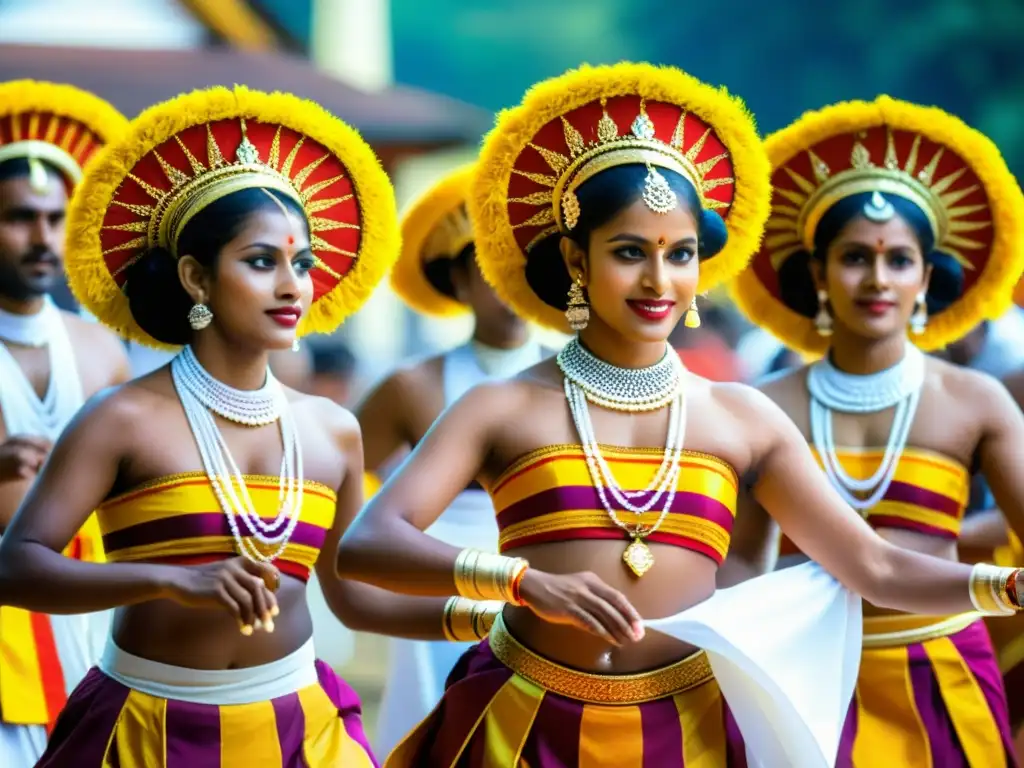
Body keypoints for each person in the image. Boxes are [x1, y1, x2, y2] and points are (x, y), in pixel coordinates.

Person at [334, 63, 1024, 768]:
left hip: (692, 729)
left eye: (680, 253)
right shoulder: (500, 406)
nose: (658, 281)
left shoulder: (743, 418)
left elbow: (873, 565)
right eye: (630, 252)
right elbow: (368, 542)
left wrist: (999, 585)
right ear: (576, 258)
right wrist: (518, 581)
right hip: (522, 720)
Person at [0, 85, 457, 767]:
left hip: (304, 727)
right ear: (195, 276)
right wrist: (168, 579)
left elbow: (354, 597)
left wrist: (501, 615)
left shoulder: (332, 430)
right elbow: (17, 566)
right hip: (147, 728)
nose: (292, 286)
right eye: (261, 261)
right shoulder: (122, 418)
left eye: (301, 264)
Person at [728, 96, 1024, 765]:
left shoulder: (977, 401)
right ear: (818, 276)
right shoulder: (761, 405)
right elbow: (743, 562)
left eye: (899, 261)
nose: (877, 279)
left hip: (946, 669)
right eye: (856, 258)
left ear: (926, 278)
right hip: (800, 675)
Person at [358, 164, 548, 754]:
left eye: (521, 269)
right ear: (458, 283)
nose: (509, 288)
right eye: (490, 271)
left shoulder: (571, 379)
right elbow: (330, 475)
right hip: (436, 590)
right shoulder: (414, 387)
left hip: (545, 580)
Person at [0, 80, 132, 766]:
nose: (41, 237)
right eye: (21, 217)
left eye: (55, 218)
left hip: (92, 615)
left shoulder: (100, 348)